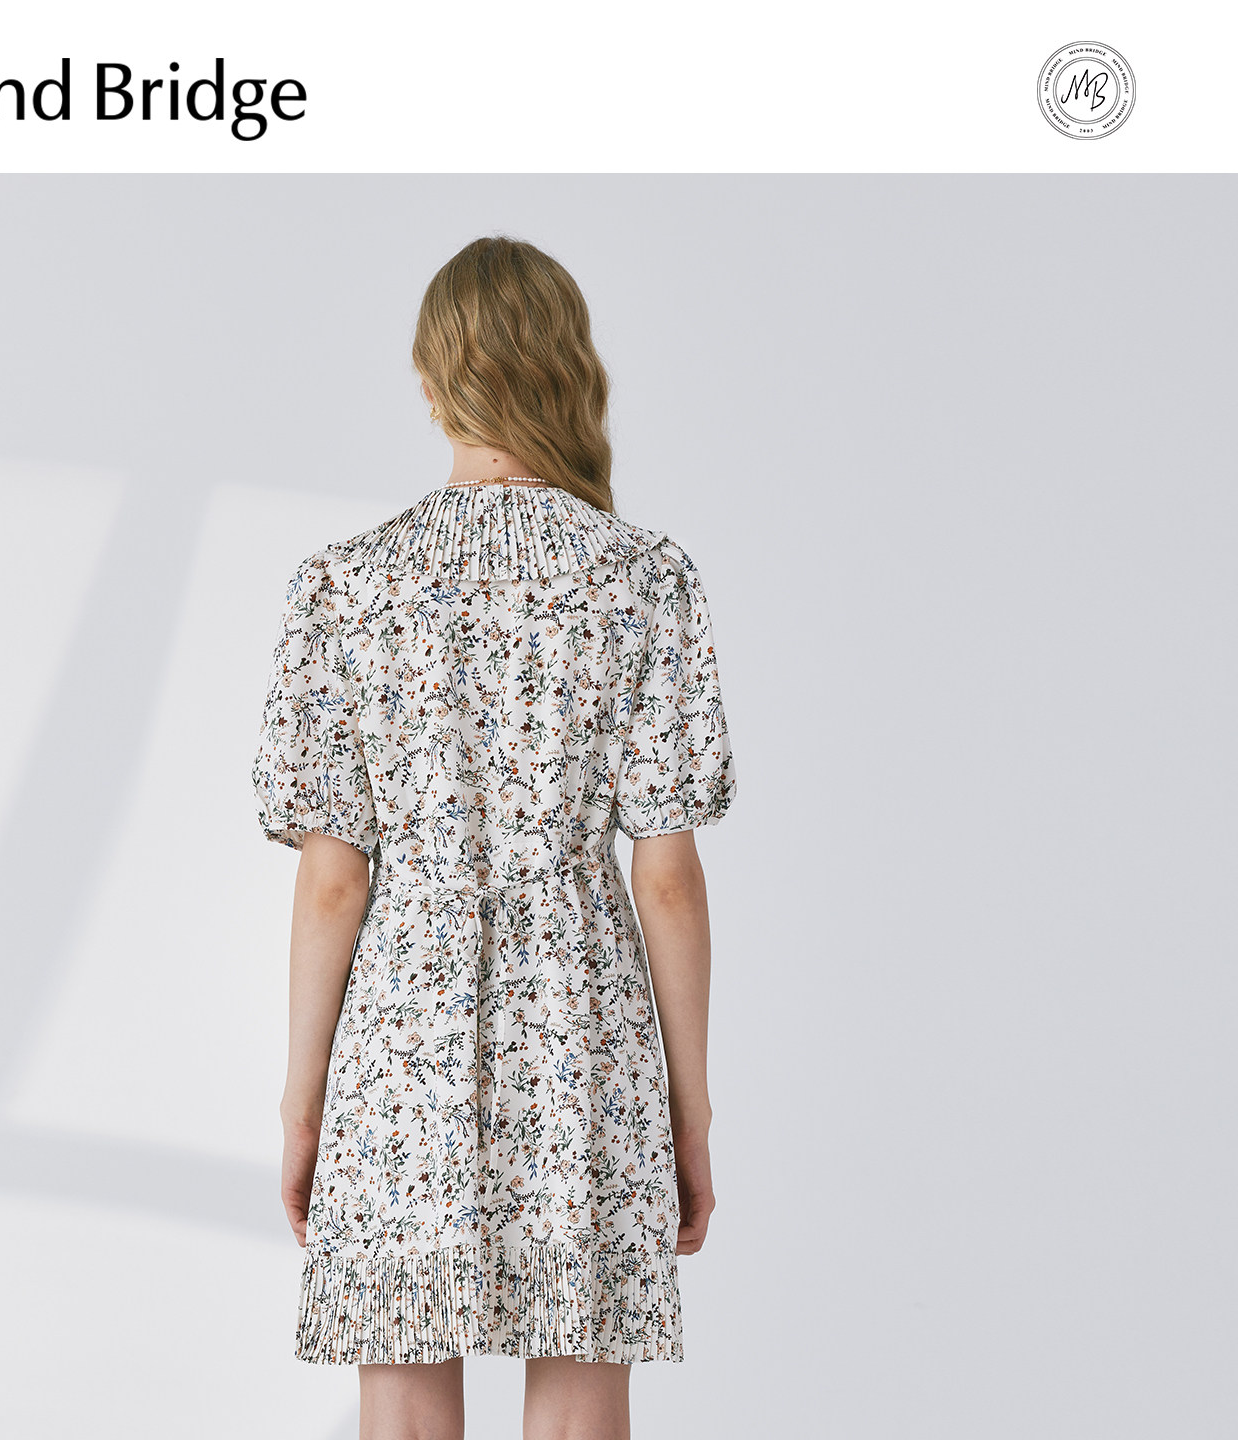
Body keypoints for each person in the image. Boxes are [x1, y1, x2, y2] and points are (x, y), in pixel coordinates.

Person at [252, 235, 737, 1440]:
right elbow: (668, 881)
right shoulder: (646, 578)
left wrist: (306, 1104)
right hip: (588, 1034)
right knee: (580, 1403)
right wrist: (689, 1109)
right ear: (570, 367)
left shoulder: (344, 586)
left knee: (404, 1406)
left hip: (399, 1039)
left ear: (432, 383)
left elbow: (332, 885)